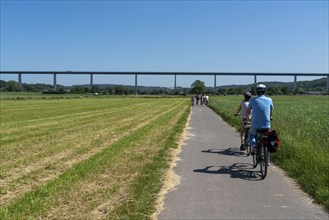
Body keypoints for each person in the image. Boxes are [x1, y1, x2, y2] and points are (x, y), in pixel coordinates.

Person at [244, 84, 274, 155]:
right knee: (266, 140)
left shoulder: (252, 99)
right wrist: (270, 117)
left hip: (255, 126)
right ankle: (267, 159)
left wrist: (246, 119)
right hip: (267, 126)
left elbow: (248, 112)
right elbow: (270, 111)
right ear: (265, 91)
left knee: (250, 134)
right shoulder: (269, 99)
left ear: (256, 91)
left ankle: (254, 145)